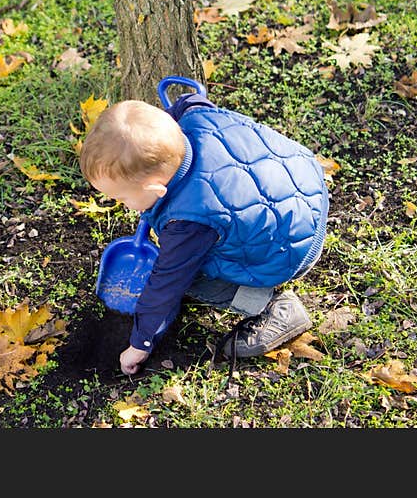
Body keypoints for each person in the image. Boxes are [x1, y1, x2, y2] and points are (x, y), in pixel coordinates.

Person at [79, 89, 329, 375]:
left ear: (156, 190)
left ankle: (274, 307)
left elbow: (166, 283)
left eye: (122, 199)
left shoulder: (190, 221)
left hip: (293, 249)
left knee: (192, 278)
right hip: (305, 186)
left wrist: (140, 343)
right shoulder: (194, 116)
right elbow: (190, 99)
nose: (121, 205)